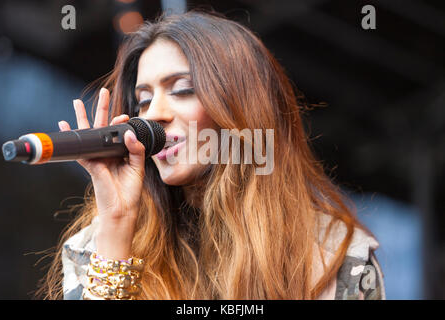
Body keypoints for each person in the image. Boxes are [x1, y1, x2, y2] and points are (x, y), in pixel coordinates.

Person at [38, 10, 385, 300]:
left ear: (242, 109)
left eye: (182, 90)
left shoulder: (336, 256)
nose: (153, 113)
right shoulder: (95, 246)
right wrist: (116, 226)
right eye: (143, 100)